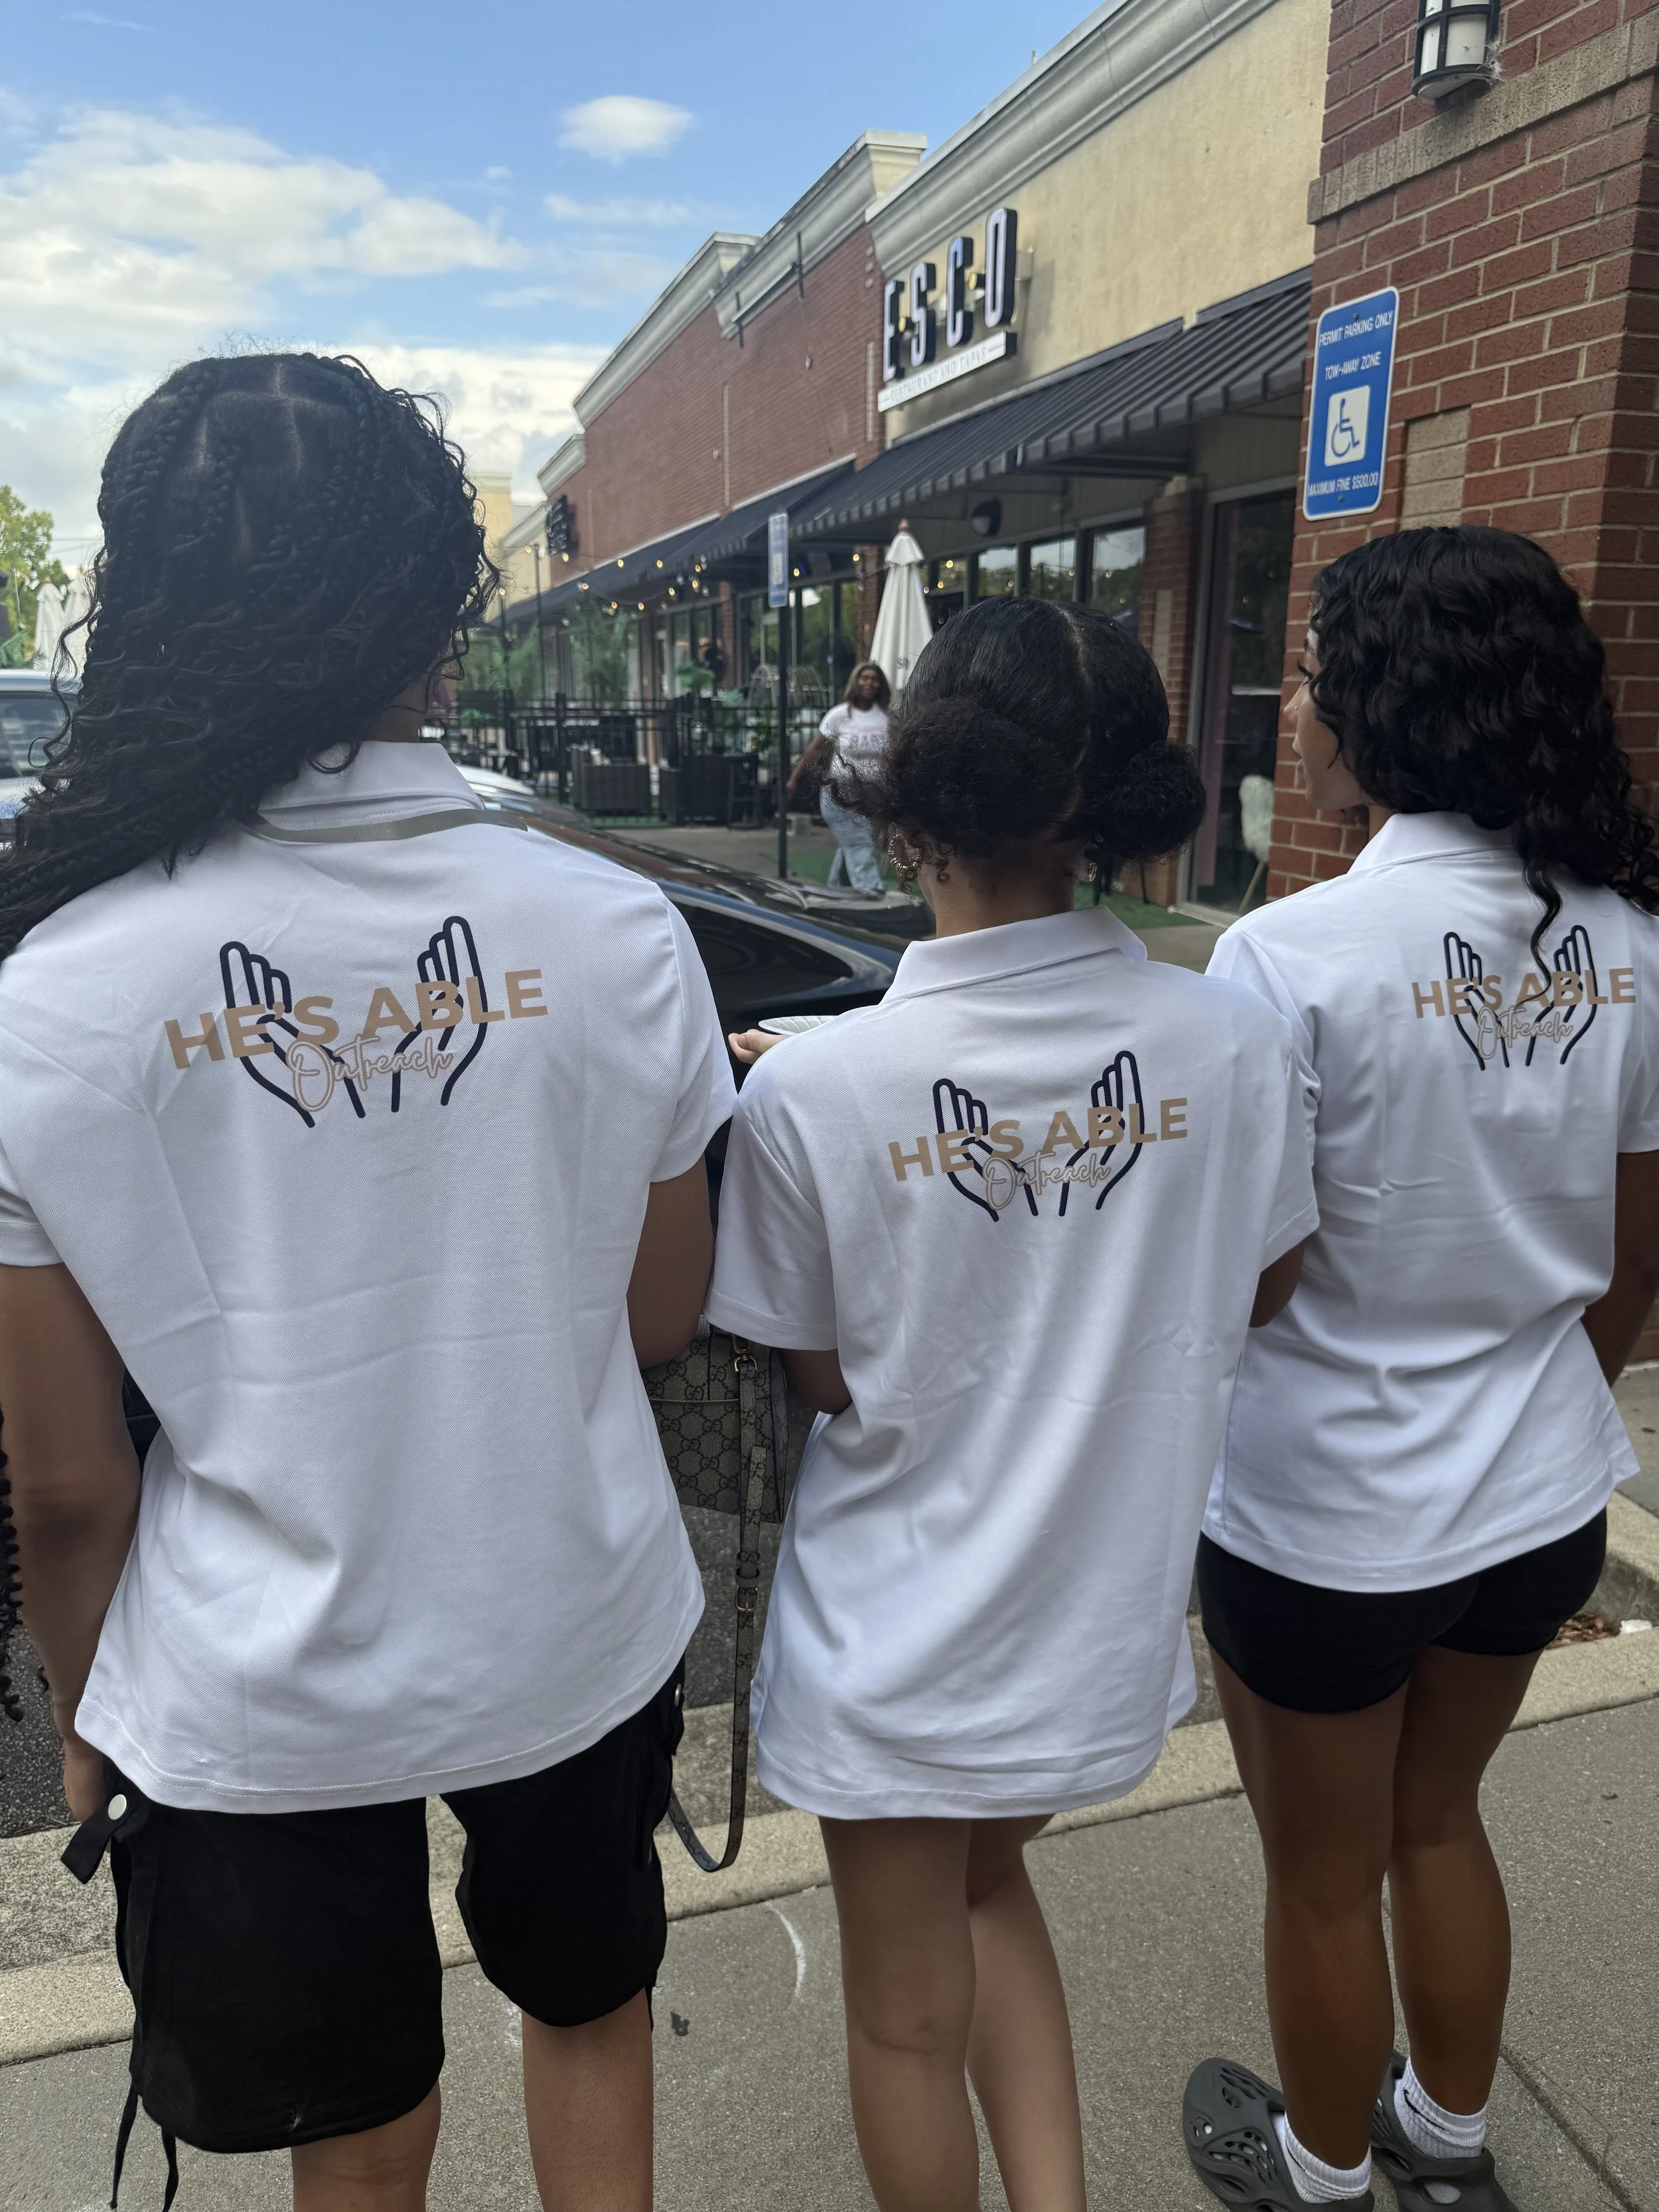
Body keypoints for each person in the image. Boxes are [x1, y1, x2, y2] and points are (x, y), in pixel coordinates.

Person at [0, 354, 733, 2211]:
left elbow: (71, 1479)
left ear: (147, 601)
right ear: (429, 612)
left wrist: (95, 1721)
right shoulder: (614, 923)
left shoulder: (61, 986)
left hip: (253, 1675)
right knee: (587, 2011)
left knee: (357, 2113)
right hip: (566, 1614)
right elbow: (659, 1315)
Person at [711, 594, 1319, 2212]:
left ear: (910, 799)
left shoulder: (816, 1089)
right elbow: (1261, 1284)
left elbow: (822, 1373)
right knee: (989, 1898)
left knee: (903, 2022)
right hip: (1094, 1625)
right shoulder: (1234, 1044)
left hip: (901, 1642)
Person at [1184, 527, 1659, 2212]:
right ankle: (1447, 2153)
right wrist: (1532, 1391)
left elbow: (1261, 1282)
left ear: (1383, 702)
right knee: (1439, 1823)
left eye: (1311, 669)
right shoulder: (1627, 939)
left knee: (1321, 1881)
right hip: (1535, 1497)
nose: (1293, 702)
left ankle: (1319, 2179)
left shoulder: (1290, 956)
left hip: (1323, 1511)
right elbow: (1629, 1255)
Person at [817, 660, 891, 892]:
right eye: (865, 677)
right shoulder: (839, 715)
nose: (870, 683)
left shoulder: (885, 719)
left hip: (870, 796)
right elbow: (815, 749)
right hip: (839, 793)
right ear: (855, 681)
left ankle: (836, 889)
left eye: (875, 679)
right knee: (859, 842)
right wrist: (794, 780)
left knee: (851, 841)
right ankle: (872, 892)